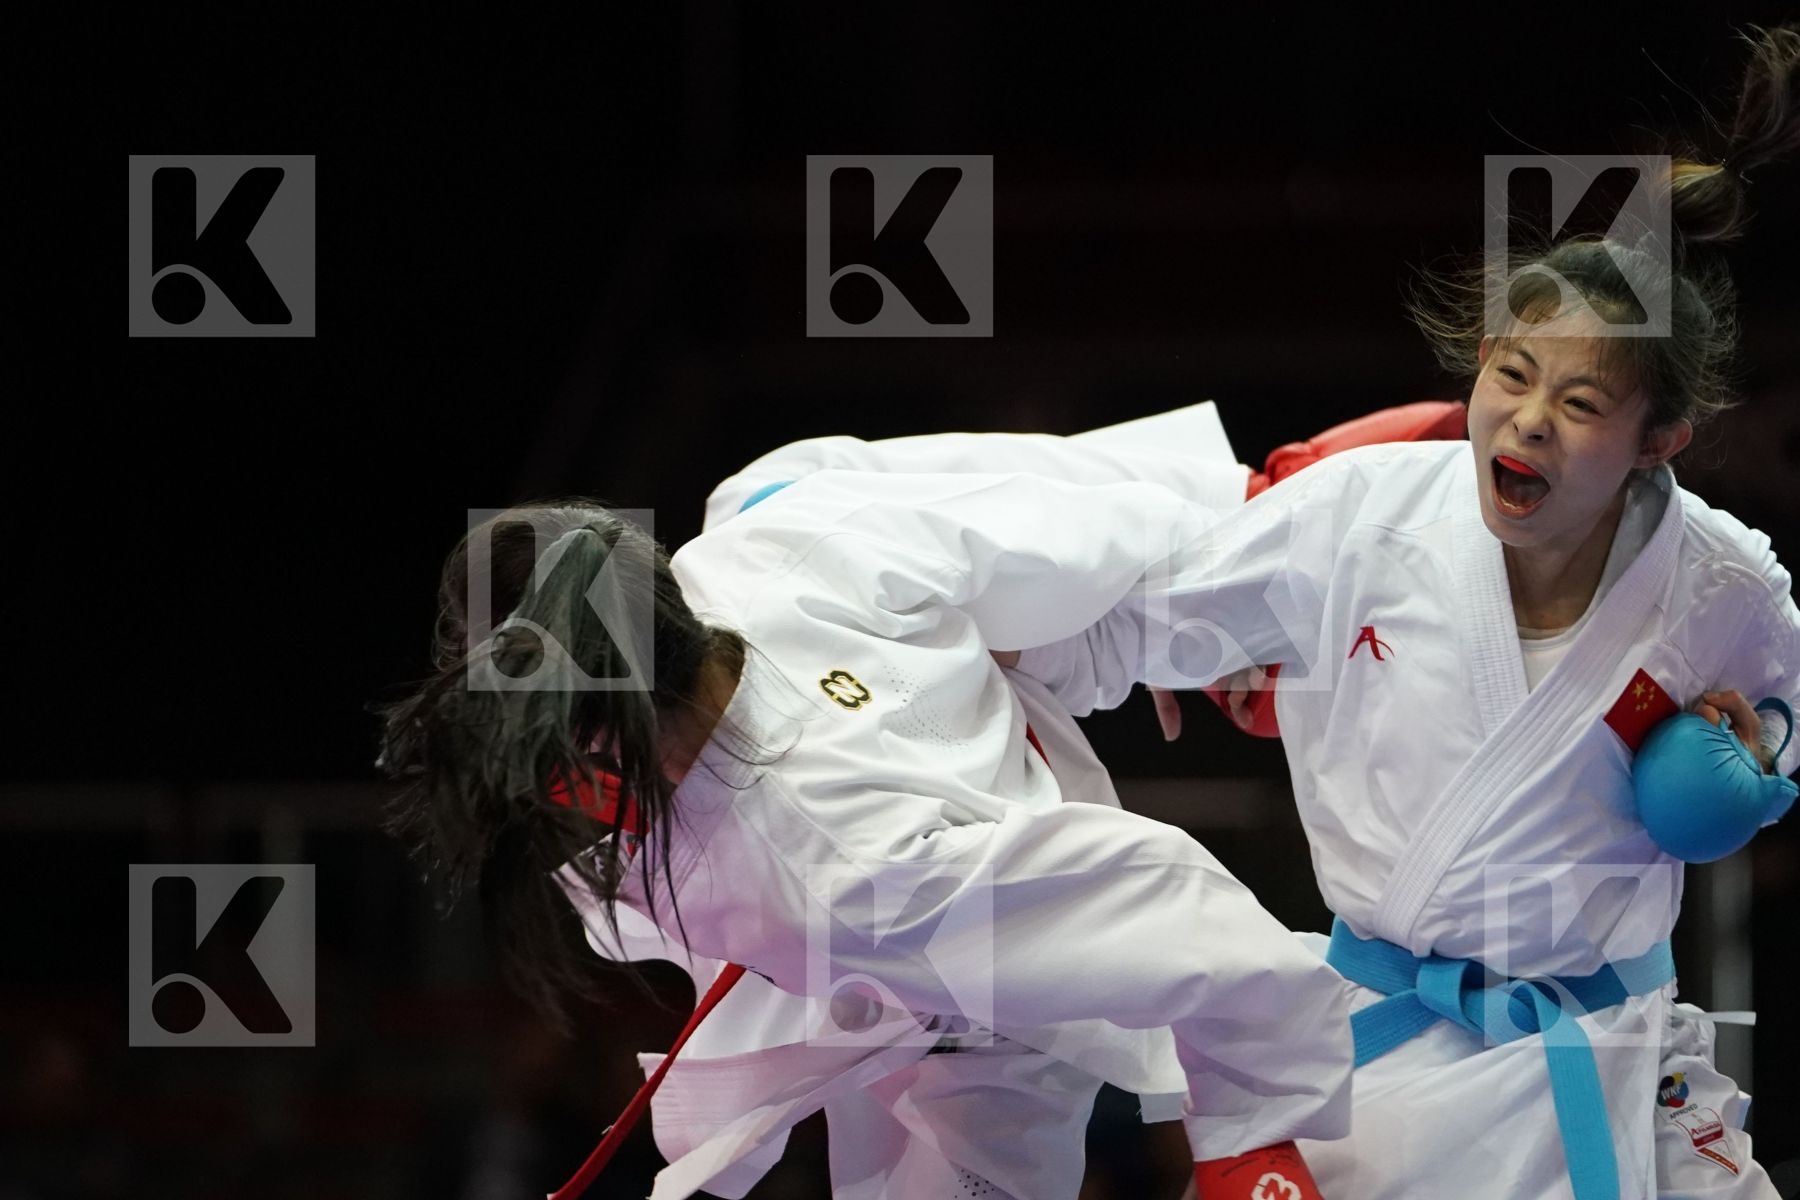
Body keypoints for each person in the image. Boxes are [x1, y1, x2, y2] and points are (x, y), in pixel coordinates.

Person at [1007, 25, 1800, 1200]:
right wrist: (975, 688)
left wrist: (1760, 748)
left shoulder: (1726, 585)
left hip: (1607, 1050)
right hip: (1374, 1054)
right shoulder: (1358, 516)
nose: (1527, 420)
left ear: (1658, 443)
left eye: (1580, 402)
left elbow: (1781, 708)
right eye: (1512, 376)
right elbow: (1120, 626)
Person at [375, 410, 1358, 1200]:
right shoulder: (772, 521)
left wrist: (1248, 1138)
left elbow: (1177, 910)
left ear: (609, 726)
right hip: (896, 949)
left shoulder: (835, 865)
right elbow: (1018, 532)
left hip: (966, 996)